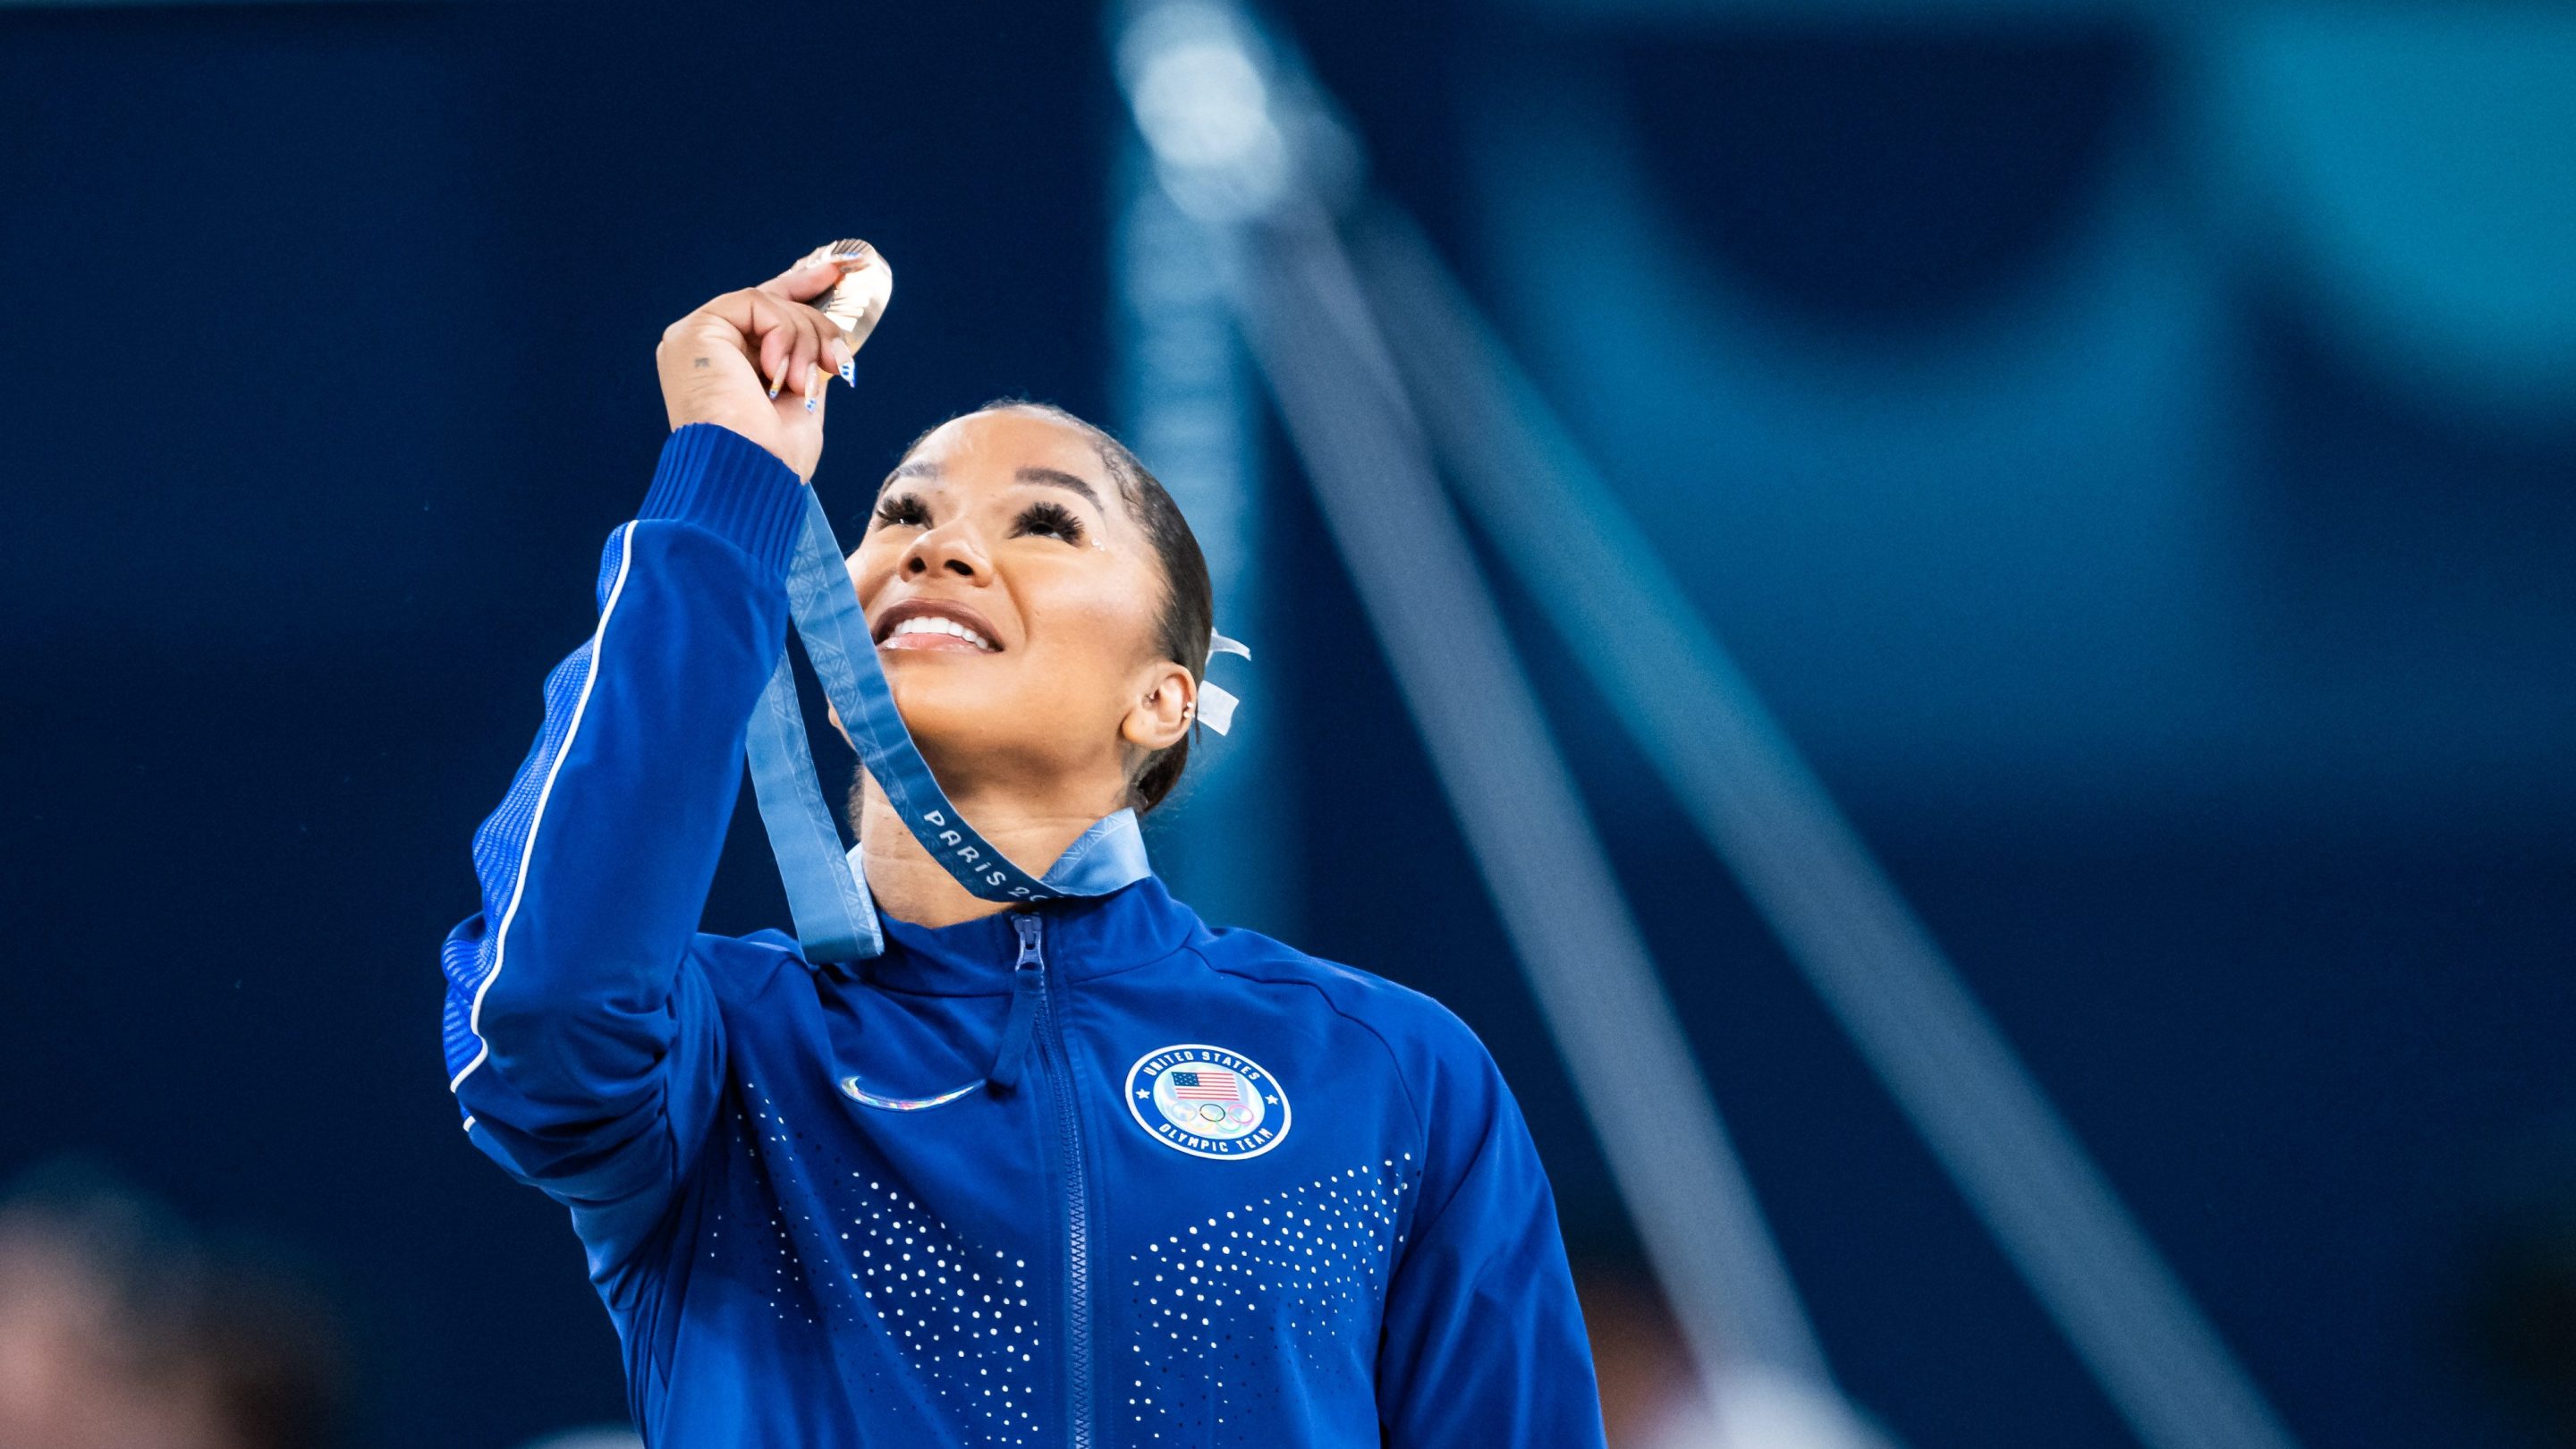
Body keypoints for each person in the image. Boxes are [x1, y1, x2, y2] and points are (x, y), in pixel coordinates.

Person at [436, 251, 1607, 1447]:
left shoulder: (1388, 1074)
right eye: (899, 515)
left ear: (1163, 700)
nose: (936, 551)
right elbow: (544, 1016)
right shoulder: (728, 1050)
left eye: (1046, 522)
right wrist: (725, 485)